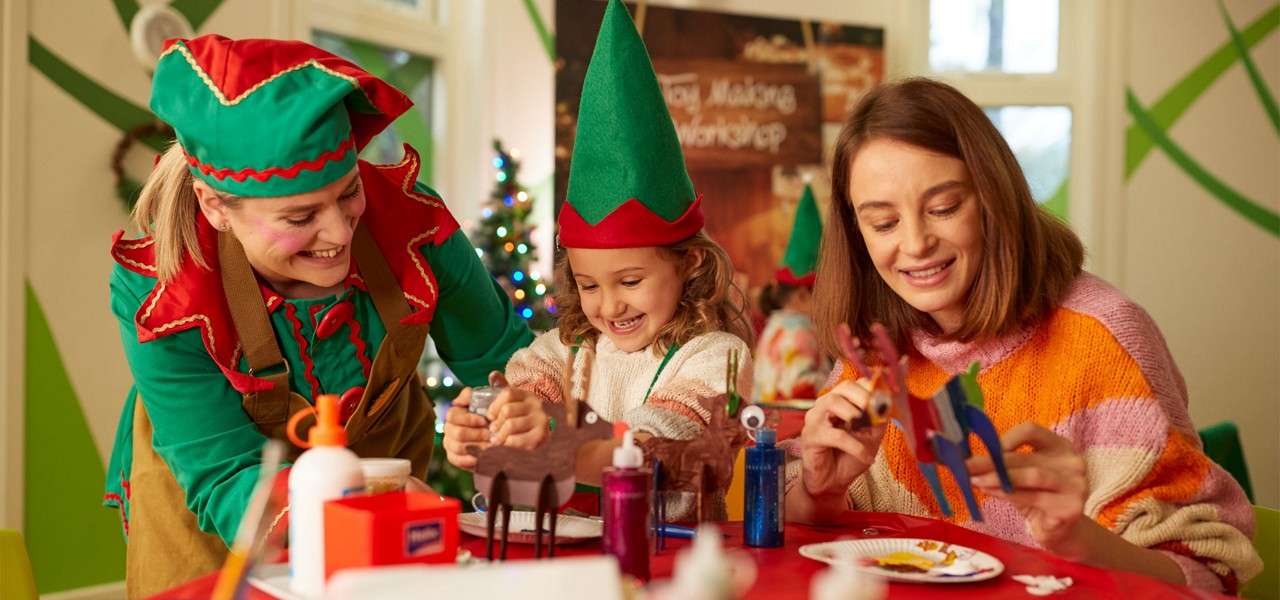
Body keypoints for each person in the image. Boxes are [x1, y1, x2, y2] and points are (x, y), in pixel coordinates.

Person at [785, 78, 1261, 593]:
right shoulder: (875, 348)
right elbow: (805, 528)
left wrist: (1078, 540)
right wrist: (819, 490)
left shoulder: (1104, 337)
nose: (916, 244)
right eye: (883, 223)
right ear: (857, 235)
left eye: (944, 208)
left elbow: (1211, 579)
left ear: (994, 199)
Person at [104, 35, 533, 597]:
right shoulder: (162, 292)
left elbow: (511, 363)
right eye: (300, 215)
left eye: (348, 192)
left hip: (386, 504)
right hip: (221, 519)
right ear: (215, 206)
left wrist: (520, 410)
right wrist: (366, 512)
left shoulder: (415, 224)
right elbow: (225, 478)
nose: (337, 233)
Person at [441, 0, 752, 517]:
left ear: (690, 263)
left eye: (630, 280)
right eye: (588, 285)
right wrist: (490, 429)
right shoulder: (560, 353)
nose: (609, 306)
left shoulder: (716, 357)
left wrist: (559, 445)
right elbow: (528, 404)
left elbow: (665, 451)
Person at [753, 184, 831, 403]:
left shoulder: (776, 324)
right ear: (802, 295)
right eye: (826, 293)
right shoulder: (801, 332)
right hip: (791, 424)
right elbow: (801, 387)